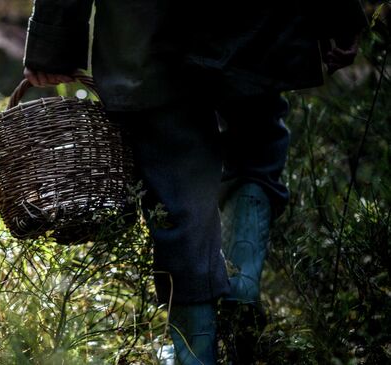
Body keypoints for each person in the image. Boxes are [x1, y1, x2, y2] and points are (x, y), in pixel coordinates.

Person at [22, 1, 367, 364]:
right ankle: (243, 279)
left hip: (146, 29)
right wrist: (341, 16)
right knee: (257, 144)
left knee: (177, 188)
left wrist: (52, 44)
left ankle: (195, 355)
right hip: (256, 23)